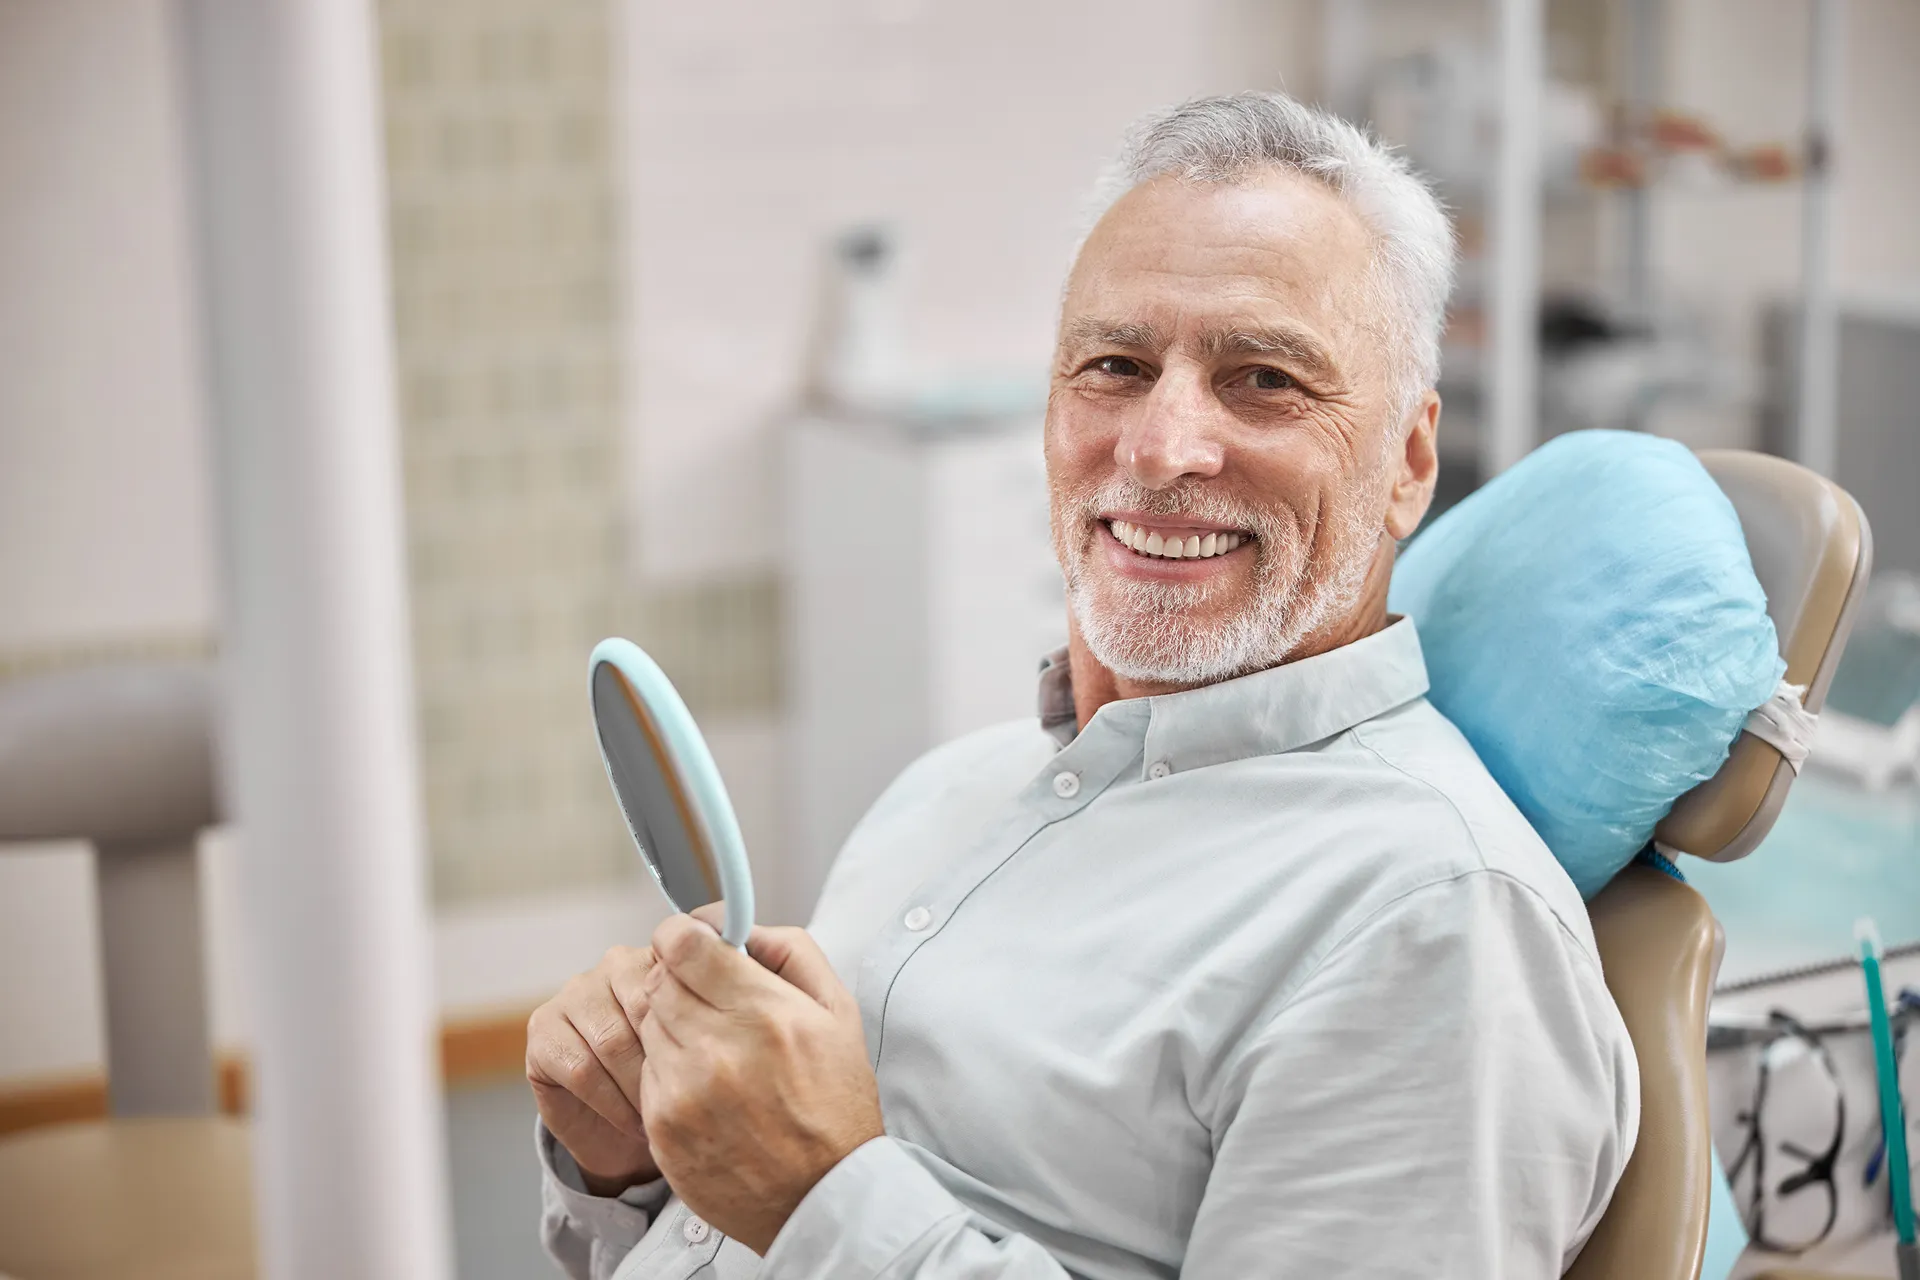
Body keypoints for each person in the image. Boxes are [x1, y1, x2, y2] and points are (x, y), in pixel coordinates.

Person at [525, 91, 1638, 1280]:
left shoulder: (1432, 922)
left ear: (1410, 460)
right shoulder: (946, 791)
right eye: (1114, 365)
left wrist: (826, 1197)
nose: (1159, 448)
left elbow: (818, 1211)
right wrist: (631, 1170)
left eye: (1263, 379)